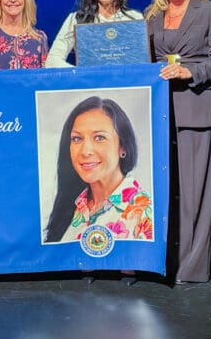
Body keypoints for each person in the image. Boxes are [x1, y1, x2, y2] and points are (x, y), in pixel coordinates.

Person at [144, 0, 211, 284]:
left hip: (195, 108)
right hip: (159, 112)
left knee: (194, 194)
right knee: (164, 192)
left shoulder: (209, 10)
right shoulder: (152, 16)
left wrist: (189, 72)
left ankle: (191, 267)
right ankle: (163, 261)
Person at [45, 96, 153, 244]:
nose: (85, 151)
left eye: (99, 138)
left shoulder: (146, 213)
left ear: (122, 147)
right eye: (77, 139)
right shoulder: (72, 207)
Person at [45, 0, 144, 68]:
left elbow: (143, 61)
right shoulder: (76, 19)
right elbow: (52, 61)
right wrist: (82, 74)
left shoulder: (135, 18)